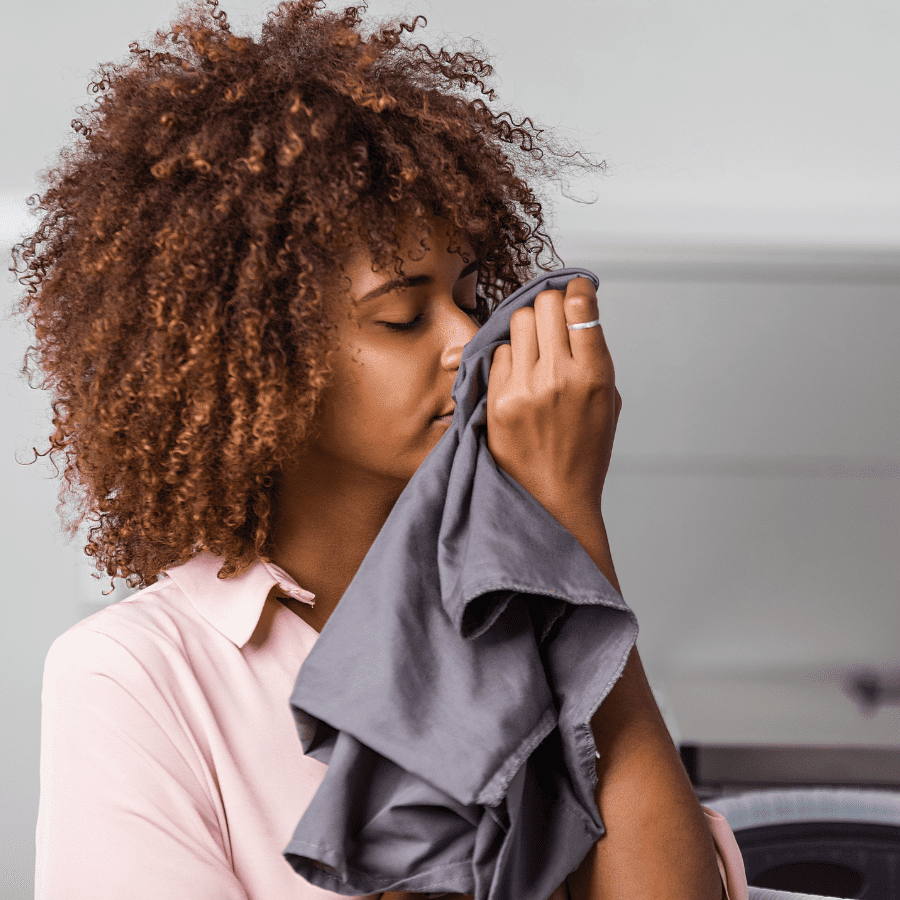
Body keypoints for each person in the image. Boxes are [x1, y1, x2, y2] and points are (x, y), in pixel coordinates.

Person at [10, 1, 746, 898]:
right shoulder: (133, 676)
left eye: (472, 295)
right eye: (402, 316)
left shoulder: (517, 618)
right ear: (256, 354)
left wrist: (566, 538)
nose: (469, 340)